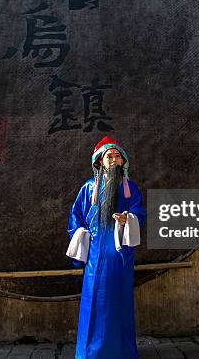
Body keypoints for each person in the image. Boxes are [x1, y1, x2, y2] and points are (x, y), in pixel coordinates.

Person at [67, 136, 147, 359]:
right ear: (99, 162)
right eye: (108, 156)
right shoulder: (88, 188)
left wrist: (127, 219)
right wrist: (82, 234)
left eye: (117, 156)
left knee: (119, 302)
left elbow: (139, 213)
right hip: (95, 256)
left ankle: (121, 352)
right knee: (93, 300)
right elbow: (75, 218)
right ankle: (89, 353)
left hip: (120, 255)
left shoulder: (130, 188)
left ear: (123, 162)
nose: (113, 160)